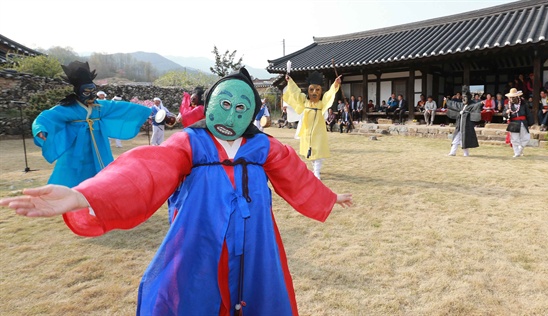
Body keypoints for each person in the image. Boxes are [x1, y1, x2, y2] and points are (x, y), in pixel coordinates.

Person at [0, 67, 353, 316]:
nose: (231, 117)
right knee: (194, 293)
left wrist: (328, 196)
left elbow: (295, 174)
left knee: (258, 293)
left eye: (242, 109)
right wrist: (85, 195)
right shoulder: (191, 143)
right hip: (200, 236)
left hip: (256, 239)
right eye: (225, 105)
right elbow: (145, 168)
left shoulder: (264, 148)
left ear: (251, 116)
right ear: (211, 104)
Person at [31, 61, 150, 188]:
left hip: (99, 145)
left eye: (94, 91)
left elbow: (123, 108)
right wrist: (40, 129)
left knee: (104, 177)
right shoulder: (68, 108)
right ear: (78, 92)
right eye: (87, 93)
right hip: (77, 147)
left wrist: (147, 112)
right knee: (71, 178)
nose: (92, 96)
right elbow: (47, 116)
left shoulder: (100, 107)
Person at [283, 71, 341, 180]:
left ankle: (317, 171)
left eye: (317, 90)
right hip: (307, 129)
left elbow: (329, 95)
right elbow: (296, 92)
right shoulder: (305, 101)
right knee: (309, 151)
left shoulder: (321, 103)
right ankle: (314, 168)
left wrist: (335, 84)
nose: (314, 92)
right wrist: (290, 81)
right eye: (312, 89)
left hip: (318, 130)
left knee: (318, 150)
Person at [445, 86, 484, 157]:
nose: (463, 99)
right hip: (459, 126)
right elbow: (454, 104)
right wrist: (447, 100)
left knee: (465, 139)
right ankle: (452, 152)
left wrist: (481, 103)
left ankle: (466, 153)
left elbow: (476, 106)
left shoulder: (471, 105)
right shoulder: (461, 105)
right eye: (463, 97)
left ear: (468, 98)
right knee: (456, 138)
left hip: (466, 126)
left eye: (465, 97)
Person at [504, 88, 534, 157]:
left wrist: (530, 123)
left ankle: (520, 148)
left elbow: (528, 114)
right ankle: (516, 153)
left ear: (517, 97)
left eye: (513, 97)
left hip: (523, 122)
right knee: (515, 139)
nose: (512, 99)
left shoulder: (523, 104)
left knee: (526, 137)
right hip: (514, 123)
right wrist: (506, 112)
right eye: (511, 97)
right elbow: (504, 114)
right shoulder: (508, 105)